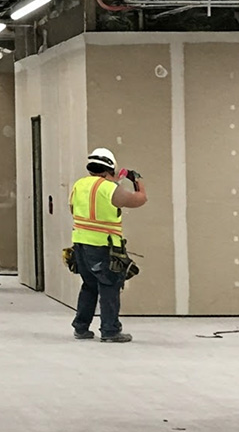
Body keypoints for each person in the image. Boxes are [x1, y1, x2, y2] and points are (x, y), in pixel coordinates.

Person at [69, 147, 148, 343]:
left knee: (89, 285)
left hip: (80, 244)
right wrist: (137, 180)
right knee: (109, 285)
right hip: (103, 246)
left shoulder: (80, 185)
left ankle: (81, 328)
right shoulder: (109, 189)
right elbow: (140, 199)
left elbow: (73, 208)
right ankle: (110, 331)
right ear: (110, 168)